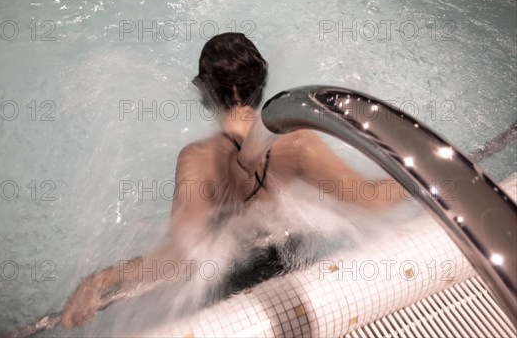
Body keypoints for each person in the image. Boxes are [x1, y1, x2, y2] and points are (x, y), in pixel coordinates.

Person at [60, 33, 402, 328]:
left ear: (206, 93)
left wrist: (100, 280)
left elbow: (178, 258)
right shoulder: (298, 142)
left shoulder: (197, 160)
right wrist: (428, 182)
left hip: (232, 295)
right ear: (260, 87)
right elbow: (370, 199)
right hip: (296, 280)